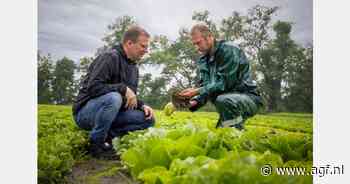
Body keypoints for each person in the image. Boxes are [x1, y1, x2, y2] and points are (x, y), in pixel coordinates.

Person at [72, 26, 155, 159]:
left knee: (148, 119)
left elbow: (129, 98)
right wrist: (122, 88)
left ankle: (108, 138)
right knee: (114, 98)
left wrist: (142, 105)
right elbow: (93, 88)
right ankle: (96, 144)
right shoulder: (110, 57)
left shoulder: (134, 68)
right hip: (85, 113)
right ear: (129, 43)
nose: (146, 51)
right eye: (143, 46)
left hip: (111, 112)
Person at [179, 24, 263, 130]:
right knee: (220, 133)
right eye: (194, 44)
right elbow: (206, 86)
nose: (196, 48)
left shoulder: (229, 50)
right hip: (226, 101)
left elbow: (224, 83)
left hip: (247, 98)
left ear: (209, 37)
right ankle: (235, 132)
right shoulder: (203, 60)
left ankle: (236, 133)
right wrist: (193, 102)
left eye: (198, 43)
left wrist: (195, 91)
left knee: (225, 108)